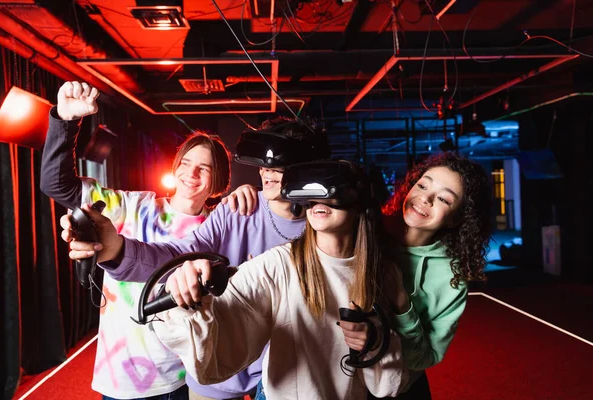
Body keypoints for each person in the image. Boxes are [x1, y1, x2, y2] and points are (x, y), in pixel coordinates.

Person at [58, 115, 331, 400]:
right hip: (221, 375)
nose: (267, 170)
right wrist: (115, 249)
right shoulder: (233, 212)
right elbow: (177, 255)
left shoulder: (327, 223)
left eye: (280, 162)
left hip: (290, 373)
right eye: (264, 161)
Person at [150, 160, 409, 399]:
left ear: (361, 203)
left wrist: (375, 342)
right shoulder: (278, 265)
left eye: (333, 190)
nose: (319, 199)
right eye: (311, 193)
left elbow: (388, 385)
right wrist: (189, 298)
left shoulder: (383, 273)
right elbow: (221, 343)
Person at [40, 81, 231, 400]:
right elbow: (57, 186)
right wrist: (66, 120)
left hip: (180, 376)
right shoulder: (134, 205)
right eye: (185, 163)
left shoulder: (218, 230)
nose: (191, 174)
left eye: (204, 169)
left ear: (219, 182)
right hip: (119, 375)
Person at [372, 152, 493, 399]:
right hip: (341, 380)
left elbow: (425, 358)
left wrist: (402, 305)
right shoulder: (365, 230)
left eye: (443, 199)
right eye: (422, 185)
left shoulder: (452, 277)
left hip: (401, 387)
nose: (425, 198)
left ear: (456, 219)